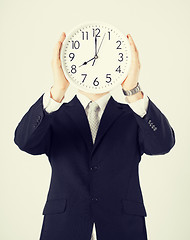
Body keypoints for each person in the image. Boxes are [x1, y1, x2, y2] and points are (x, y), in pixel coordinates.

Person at [14, 32, 175, 240]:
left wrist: (133, 91)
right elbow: (24, 141)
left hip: (123, 228)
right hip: (64, 228)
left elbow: (163, 144)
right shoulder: (54, 115)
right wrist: (57, 92)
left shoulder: (132, 116)